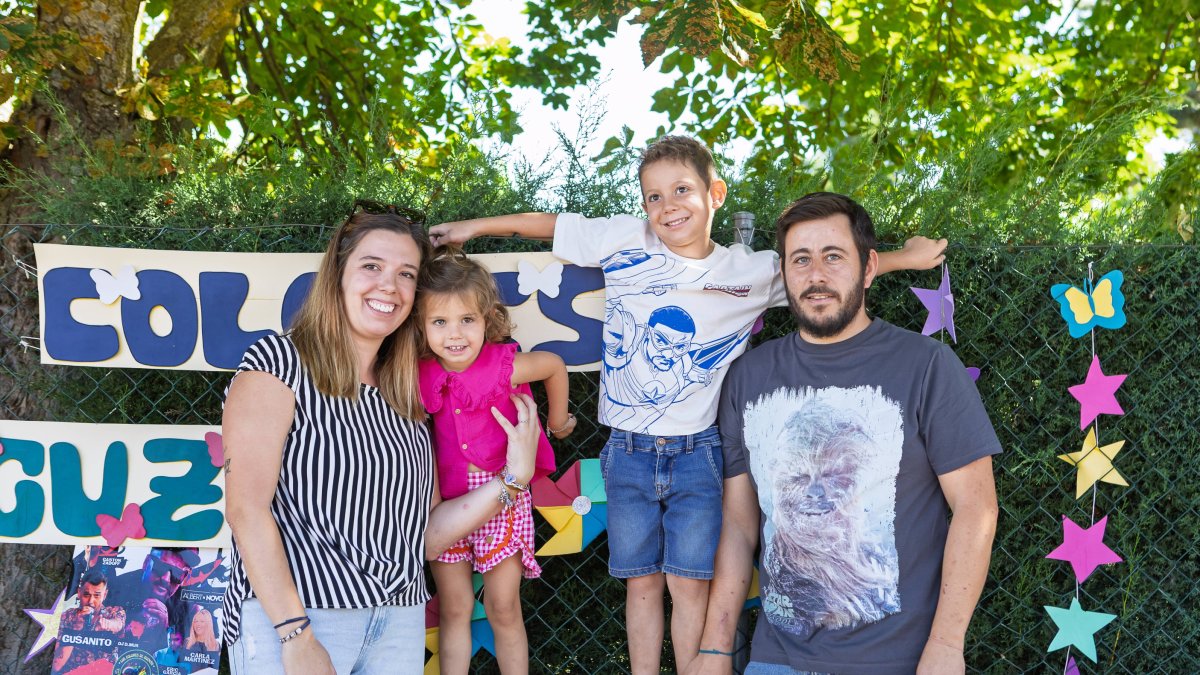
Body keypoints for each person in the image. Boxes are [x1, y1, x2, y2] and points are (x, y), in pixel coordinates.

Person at [428, 136, 947, 673]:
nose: (667, 206)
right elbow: (552, 224)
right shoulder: (626, 240)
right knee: (643, 584)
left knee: (688, 583)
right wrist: (474, 228)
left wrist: (907, 258)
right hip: (626, 451)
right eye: (653, 196)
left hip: (698, 454)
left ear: (714, 194)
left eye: (681, 190)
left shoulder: (746, 271)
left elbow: (822, 272)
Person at [221, 202, 544, 674]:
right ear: (338, 272)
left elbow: (427, 536)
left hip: (399, 620)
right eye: (372, 266)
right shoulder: (279, 361)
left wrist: (513, 480)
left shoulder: (407, 391)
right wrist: (295, 635)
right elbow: (245, 509)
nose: (388, 286)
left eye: (407, 274)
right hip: (306, 618)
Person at [689, 192, 1000, 675]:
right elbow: (738, 523)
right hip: (776, 661)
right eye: (801, 260)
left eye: (833, 257)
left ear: (869, 266)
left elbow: (976, 508)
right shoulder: (748, 377)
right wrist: (714, 647)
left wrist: (946, 645)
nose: (816, 275)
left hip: (899, 661)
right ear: (785, 274)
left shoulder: (927, 368)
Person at [416, 250, 571, 673]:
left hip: (504, 493)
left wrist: (558, 422)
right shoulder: (417, 372)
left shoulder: (504, 366)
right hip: (446, 505)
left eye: (467, 319)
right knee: (454, 609)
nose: (455, 334)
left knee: (503, 607)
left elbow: (554, 366)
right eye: (439, 322)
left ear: (487, 318)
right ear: (422, 325)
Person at [53, 568, 125, 674]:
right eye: (87, 595)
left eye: (97, 595)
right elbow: (56, 666)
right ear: (79, 593)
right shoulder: (67, 616)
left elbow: (118, 624)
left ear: (104, 595)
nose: (91, 601)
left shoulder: (114, 612)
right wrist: (75, 629)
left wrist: (108, 624)